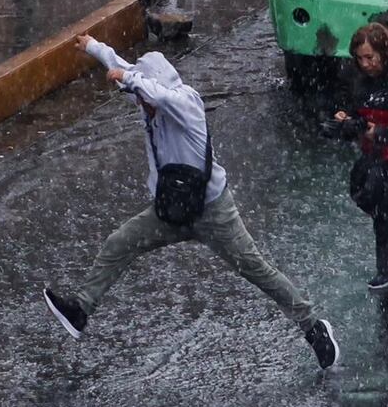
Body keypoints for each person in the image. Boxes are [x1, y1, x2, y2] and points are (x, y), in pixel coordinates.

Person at [43, 35, 341, 370]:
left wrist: (130, 79)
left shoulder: (185, 102)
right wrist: (94, 47)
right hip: (171, 209)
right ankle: (81, 310)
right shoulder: (147, 95)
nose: (142, 106)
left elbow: (152, 91)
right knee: (120, 243)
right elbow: (125, 71)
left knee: (257, 270)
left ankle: (313, 327)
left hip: (213, 211)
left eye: (143, 97)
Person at [324, 23, 388, 308]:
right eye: (360, 58)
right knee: (379, 213)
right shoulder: (357, 79)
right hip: (375, 157)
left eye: (370, 57)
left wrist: (382, 133)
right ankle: (386, 269)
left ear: (384, 52)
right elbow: (352, 111)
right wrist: (343, 120)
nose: (365, 64)